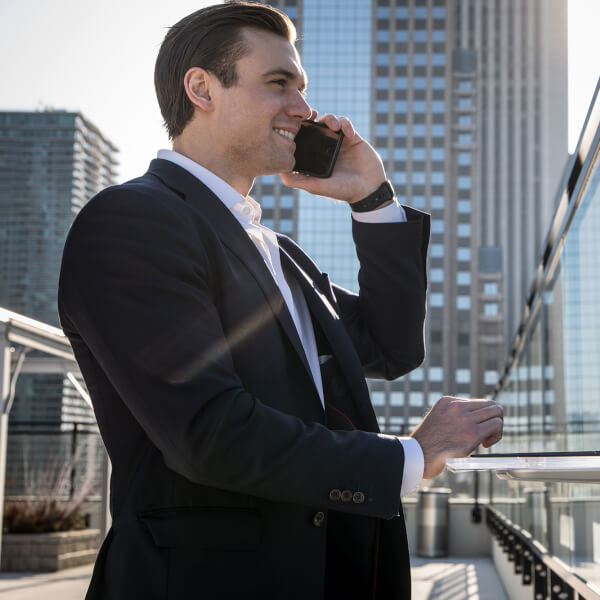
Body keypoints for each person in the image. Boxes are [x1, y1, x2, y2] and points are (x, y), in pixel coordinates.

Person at [58, 3, 503, 599]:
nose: (305, 108)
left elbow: (391, 346)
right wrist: (411, 457)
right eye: (279, 84)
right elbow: (211, 432)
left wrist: (373, 201)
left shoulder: (275, 250)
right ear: (202, 88)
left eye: (303, 88)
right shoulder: (132, 220)